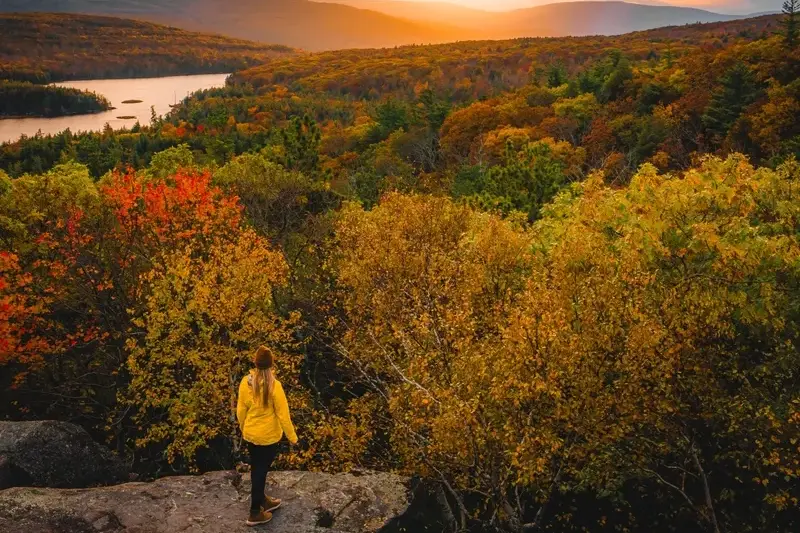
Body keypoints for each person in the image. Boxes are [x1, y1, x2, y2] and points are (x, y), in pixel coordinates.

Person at [236, 345, 299, 526]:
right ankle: (255, 512)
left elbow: (241, 411)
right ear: (271, 365)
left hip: (251, 435)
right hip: (269, 438)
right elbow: (283, 416)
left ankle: (262, 500)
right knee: (260, 471)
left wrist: (244, 428)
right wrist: (293, 438)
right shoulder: (274, 386)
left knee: (258, 468)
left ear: (255, 364)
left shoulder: (245, 382)